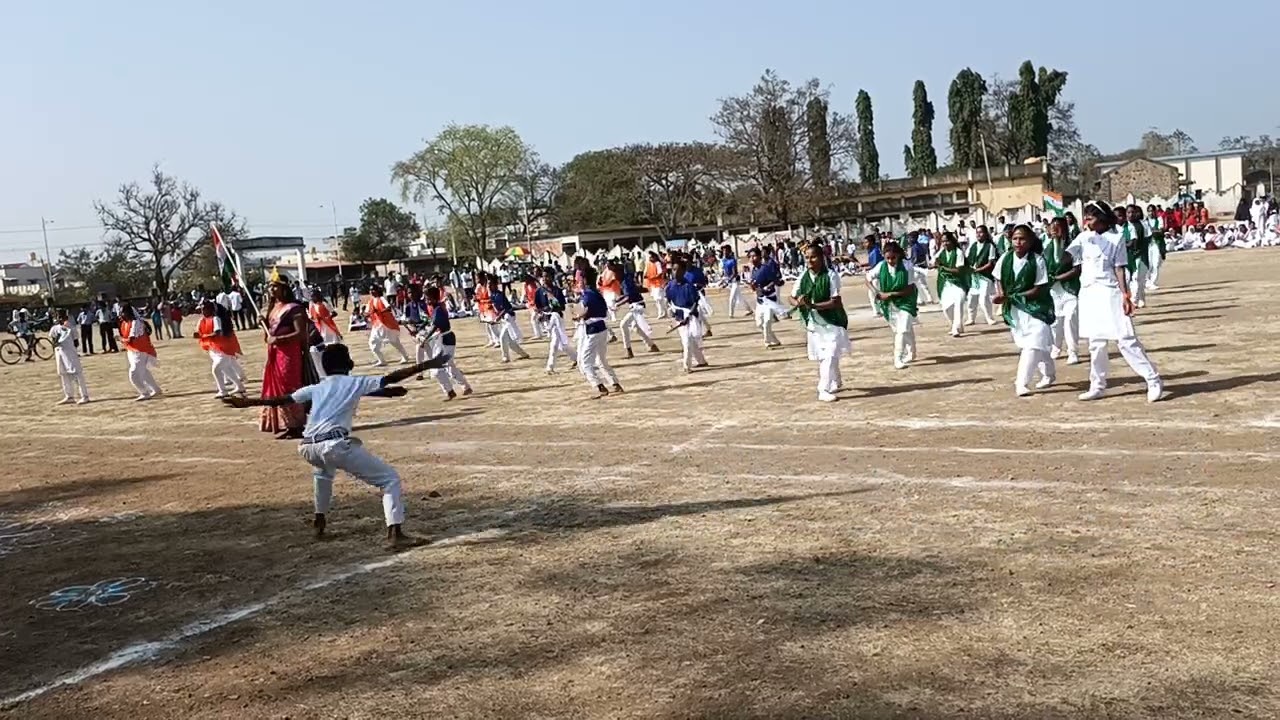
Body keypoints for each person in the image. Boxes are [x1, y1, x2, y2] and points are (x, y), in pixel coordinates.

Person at [224, 345, 447, 550]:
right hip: (333, 444)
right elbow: (389, 378)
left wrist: (248, 402)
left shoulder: (318, 387)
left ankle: (319, 522)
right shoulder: (354, 381)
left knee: (323, 474)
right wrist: (426, 364)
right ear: (349, 364)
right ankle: (395, 533)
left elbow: (281, 400)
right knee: (389, 479)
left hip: (308, 446)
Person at [1068, 201, 1164, 402]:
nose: (1087, 221)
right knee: (1096, 342)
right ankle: (1097, 384)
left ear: (1102, 219)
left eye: (1091, 217)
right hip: (1089, 293)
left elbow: (1119, 268)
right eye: (1085, 217)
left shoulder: (1116, 238)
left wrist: (1125, 295)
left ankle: (1152, 379)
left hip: (1109, 291)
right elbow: (1066, 257)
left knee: (1125, 338)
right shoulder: (1083, 237)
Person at [993, 225, 1056, 396]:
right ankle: (1049, 374)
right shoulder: (1005, 258)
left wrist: (1012, 296)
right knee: (1035, 345)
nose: (1018, 242)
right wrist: (1001, 294)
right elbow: (998, 278)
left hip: (1036, 307)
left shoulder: (1038, 260)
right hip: (1015, 310)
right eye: (1015, 238)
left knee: (1033, 343)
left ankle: (1021, 383)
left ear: (1030, 242)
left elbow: (1038, 288)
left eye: (1022, 239)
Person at [790, 242, 850, 403]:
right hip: (814, 324)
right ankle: (836, 380)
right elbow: (792, 297)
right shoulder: (803, 276)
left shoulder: (831, 275)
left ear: (822, 258)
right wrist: (798, 303)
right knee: (826, 355)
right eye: (807, 257)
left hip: (832, 321)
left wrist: (813, 305)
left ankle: (823, 389)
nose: (810, 260)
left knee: (829, 354)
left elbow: (835, 301)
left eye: (813, 257)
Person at [260, 277, 318, 438]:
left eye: (275, 286)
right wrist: (264, 324)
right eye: (270, 286)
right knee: (277, 386)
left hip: (289, 353)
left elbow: (300, 333)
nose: (272, 289)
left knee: (289, 385)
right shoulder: (272, 308)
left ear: (284, 289)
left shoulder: (295, 309)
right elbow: (269, 336)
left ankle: (297, 424)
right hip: (274, 354)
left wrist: (279, 340)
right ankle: (286, 423)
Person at [866, 241, 919, 370]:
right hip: (889, 304)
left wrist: (890, 294)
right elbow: (868, 279)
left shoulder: (907, 266)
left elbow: (910, 288)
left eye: (893, 258)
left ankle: (898, 358)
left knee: (901, 330)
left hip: (906, 301)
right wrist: (877, 292)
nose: (890, 261)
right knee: (902, 329)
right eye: (887, 258)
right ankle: (912, 352)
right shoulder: (881, 266)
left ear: (899, 255)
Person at [414, 286, 472, 399]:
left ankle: (450, 391)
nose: (426, 301)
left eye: (428, 298)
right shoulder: (436, 309)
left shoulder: (439, 310)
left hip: (446, 340)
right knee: (449, 366)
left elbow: (435, 326)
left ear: (434, 299)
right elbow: (431, 324)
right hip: (442, 340)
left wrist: (425, 339)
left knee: (436, 369)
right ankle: (465, 387)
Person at [574, 266, 623, 397]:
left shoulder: (587, 296)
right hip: (602, 329)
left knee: (585, 362)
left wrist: (578, 316)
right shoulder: (596, 293)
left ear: (584, 280)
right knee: (601, 359)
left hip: (593, 330)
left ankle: (598, 385)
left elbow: (584, 311)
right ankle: (614, 383)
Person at [1044, 217, 1082, 364]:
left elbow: (1077, 269)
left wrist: (1059, 277)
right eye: (1052, 227)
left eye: (1057, 226)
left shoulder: (1072, 246)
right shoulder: (1047, 248)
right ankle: (1056, 347)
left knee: (1070, 319)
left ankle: (1072, 351)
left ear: (1064, 228)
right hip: (1054, 292)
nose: (1054, 229)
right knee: (1055, 322)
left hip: (1070, 290)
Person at [195, 300, 246, 398]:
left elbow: (217, 332)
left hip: (223, 349)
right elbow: (197, 333)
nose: (202, 311)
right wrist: (200, 334)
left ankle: (222, 390)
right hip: (213, 349)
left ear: (210, 309)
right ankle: (240, 386)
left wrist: (204, 336)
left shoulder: (215, 319)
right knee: (225, 369)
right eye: (201, 309)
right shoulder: (202, 320)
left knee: (216, 369)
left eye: (204, 308)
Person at [665, 256, 708, 373]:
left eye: (678, 270)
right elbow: (669, 301)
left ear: (683, 271)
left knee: (687, 341)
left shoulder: (688, 286)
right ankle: (701, 361)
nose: (676, 272)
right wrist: (673, 314)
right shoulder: (670, 286)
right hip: (679, 316)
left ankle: (686, 365)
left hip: (690, 315)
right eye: (674, 269)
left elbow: (695, 302)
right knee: (689, 341)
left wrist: (688, 317)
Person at [119, 303, 162, 401]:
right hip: (132, 350)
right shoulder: (125, 323)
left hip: (141, 351)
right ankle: (156, 389)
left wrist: (120, 339)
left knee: (134, 373)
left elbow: (131, 339)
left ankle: (144, 392)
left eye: (122, 312)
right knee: (144, 371)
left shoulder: (136, 322)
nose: (121, 315)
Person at [535, 270, 574, 373]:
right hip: (547, 320)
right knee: (562, 346)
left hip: (557, 319)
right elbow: (538, 306)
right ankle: (576, 358)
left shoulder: (557, 291)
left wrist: (553, 304)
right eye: (543, 277)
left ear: (552, 278)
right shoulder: (539, 291)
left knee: (554, 344)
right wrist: (541, 314)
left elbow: (562, 307)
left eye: (547, 276)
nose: (544, 279)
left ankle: (550, 366)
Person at [933, 231, 970, 337]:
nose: (945, 244)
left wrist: (943, 267)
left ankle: (956, 328)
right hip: (945, 283)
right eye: (943, 241)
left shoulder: (958, 252)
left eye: (947, 241)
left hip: (959, 283)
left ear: (952, 241)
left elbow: (958, 270)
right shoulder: (941, 252)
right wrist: (936, 263)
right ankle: (956, 324)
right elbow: (934, 262)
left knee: (958, 304)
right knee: (946, 308)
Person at [617, 268, 660, 358]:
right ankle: (651, 345)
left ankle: (628, 350)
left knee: (623, 325)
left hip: (637, 307)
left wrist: (618, 304)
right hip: (637, 305)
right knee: (635, 328)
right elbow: (628, 295)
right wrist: (619, 299)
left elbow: (628, 297)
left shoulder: (625, 282)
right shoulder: (625, 280)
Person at [748, 247, 786, 348]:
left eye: (754, 256)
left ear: (760, 257)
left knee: (767, 322)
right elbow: (754, 286)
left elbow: (775, 280)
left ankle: (767, 342)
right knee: (759, 324)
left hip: (769, 300)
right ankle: (775, 340)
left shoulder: (765, 268)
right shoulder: (753, 271)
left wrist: (767, 287)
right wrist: (753, 286)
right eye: (750, 257)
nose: (752, 258)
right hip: (760, 301)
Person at [49, 310, 90, 405]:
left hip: (70, 353)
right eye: (58, 317)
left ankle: (84, 395)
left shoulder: (70, 327)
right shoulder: (54, 328)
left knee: (77, 374)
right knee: (64, 374)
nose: (60, 319)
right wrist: (57, 343)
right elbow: (53, 341)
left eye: (62, 316)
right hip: (59, 353)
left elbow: (76, 342)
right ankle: (69, 395)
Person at [489, 275, 530, 363]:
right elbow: (495, 309)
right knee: (510, 342)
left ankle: (505, 357)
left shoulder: (500, 295)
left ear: (495, 285)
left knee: (502, 337)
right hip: (503, 318)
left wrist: (497, 318)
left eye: (490, 284)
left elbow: (505, 309)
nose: (489, 286)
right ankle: (523, 354)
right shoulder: (492, 295)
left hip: (509, 317)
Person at [366, 285, 410, 367]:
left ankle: (405, 356)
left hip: (386, 325)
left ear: (377, 291)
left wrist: (379, 311)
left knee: (394, 342)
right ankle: (381, 360)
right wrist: (366, 314)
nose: (371, 292)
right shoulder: (370, 301)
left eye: (373, 290)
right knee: (372, 342)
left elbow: (389, 308)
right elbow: (367, 312)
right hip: (376, 325)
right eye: (370, 290)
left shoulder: (382, 299)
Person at [965, 226, 998, 325]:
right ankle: (971, 318)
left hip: (985, 276)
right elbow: (968, 258)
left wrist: (979, 269)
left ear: (986, 234)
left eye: (981, 232)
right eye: (977, 233)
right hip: (974, 277)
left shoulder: (990, 246)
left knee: (984, 297)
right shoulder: (973, 245)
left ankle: (989, 318)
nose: (978, 235)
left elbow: (990, 263)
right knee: (971, 298)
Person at [307, 289, 343, 377]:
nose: (312, 297)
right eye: (311, 296)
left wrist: (326, 317)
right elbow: (311, 318)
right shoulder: (311, 306)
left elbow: (334, 313)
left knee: (334, 345)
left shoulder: (323, 303)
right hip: (319, 328)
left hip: (328, 327)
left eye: (314, 295)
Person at [720, 245, 751, 317]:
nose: (724, 252)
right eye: (723, 250)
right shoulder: (724, 260)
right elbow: (725, 271)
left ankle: (731, 314)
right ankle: (749, 309)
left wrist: (727, 282)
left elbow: (734, 273)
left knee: (732, 298)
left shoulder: (732, 260)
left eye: (726, 250)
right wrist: (723, 279)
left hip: (734, 281)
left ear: (729, 251)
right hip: (729, 281)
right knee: (740, 298)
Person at [643, 251, 668, 318]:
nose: (650, 258)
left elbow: (660, 273)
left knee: (658, 299)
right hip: (652, 284)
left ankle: (661, 312)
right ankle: (664, 312)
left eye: (651, 257)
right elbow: (645, 273)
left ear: (654, 257)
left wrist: (653, 277)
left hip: (658, 283)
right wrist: (646, 276)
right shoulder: (648, 264)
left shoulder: (657, 263)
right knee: (657, 299)